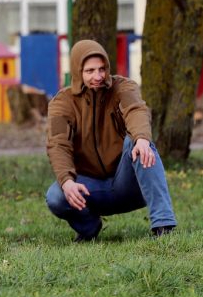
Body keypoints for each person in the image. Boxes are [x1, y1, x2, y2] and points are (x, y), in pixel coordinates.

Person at [45, 39, 177, 242]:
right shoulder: (62, 102)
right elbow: (58, 143)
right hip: (90, 189)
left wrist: (141, 139)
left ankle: (164, 226)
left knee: (139, 144)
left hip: (129, 185)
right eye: (90, 71)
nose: (98, 76)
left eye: (102, 69)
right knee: (56, 195)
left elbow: (136, 111)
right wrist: (67, 181)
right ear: (77, 71)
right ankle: (89, 228)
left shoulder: (124, 87)